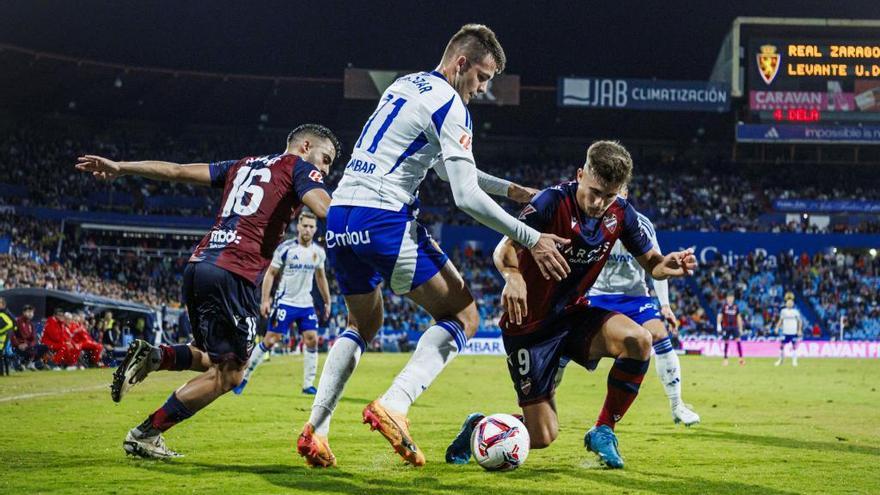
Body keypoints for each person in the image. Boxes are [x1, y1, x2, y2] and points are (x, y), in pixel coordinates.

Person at [297, 24, 568, 468]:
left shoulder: (406, 85)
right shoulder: (452, 104)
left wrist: (513, 191)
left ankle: (317, 430)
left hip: (342, 213)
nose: (481, 89)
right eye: (481, 78)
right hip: (383, 216)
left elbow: (444, 170)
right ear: (461, 63)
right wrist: (531, 237)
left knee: (362, 324)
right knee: (463, 315)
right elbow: (463, 195)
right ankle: (395, 404)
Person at [75, 123, 339, 459]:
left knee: (211, 357)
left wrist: (121, 167)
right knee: (230, 375)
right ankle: (145, 433)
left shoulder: (243, 164)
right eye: (325, 159)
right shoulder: (300, 168)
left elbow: (176, 171)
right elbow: (326, 210)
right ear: (305, 146)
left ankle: (158, 356)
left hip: (199, 264)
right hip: (234, 273)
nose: (326, 169)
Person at [445, 141, 697, 469]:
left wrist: (670, 264)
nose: (598, 203)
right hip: (529, 328)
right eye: (593, 192)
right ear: (580, 175)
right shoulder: (551, 202)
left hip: (573, 313)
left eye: (609, 196)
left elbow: (653, 264)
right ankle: (480, 426)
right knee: (542, 436)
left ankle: (604, 429)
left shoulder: (621, 214)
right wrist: (513, 276)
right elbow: (503, 248)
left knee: (639, 341)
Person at [553, 188, 700, 426]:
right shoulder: (589, 220)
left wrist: (665, 306)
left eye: (619, 189)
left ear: (626, 192)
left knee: (660, 336)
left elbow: (658, 263)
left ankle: (677, 406)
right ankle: (544, 402)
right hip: (598, 294)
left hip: (635, 298)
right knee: (564, 349)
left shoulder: (640, 224)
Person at [234, 210, 331, 395]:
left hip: (306, 303)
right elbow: (270, 274)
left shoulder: (318, 252)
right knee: (271, 340)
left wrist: (327, 301)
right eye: (305, 226)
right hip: (285, 302)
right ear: (298, 226)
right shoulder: (285, 249)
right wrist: (265, 300)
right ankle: (243, 378)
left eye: (312, 227)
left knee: (311, 340)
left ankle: (308, 385)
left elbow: (321, 278)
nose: (308, 230)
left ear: (316, 229)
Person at [12, 305, 47, 370]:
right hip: (19, 346)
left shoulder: (30, 324)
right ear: (23, 312)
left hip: (28, 345)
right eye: (28, 312)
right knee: (32, 349)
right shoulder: (18, 321)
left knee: (45, 348)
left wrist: (29, 344)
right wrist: (18, 344)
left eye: (31, 312)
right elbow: (12, 334)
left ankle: (32, 363)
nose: (30, 314)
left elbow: (34, 338)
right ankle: (23, 363)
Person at [717, 293, 744, 366]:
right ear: (726, 298)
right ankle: (725, 359)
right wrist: (719, 325)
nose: (730, 299)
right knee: (726, 342)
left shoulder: (736, 307)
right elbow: (720, 316)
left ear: (733, 298)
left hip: (734, 327)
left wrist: (740, 328)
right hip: (726, 327)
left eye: (731, 297)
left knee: (738, 341)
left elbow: (738, 318)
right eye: (729, 297)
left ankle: (741, 359)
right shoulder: (724, 307)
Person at [774, 297, 803, 367]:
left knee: (794, 346)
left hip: (793, 332)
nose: (789, 304)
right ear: (786, 304)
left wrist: (799, 330)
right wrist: (777, 327)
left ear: (793, 304)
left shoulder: (796, 312)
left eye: (791, 303)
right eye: (788, 302)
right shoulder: (783, 311)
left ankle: (794, 361)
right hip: (785, 332)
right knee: (781, 346)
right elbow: (781, 320)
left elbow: (800, 321)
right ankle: (780, 360)